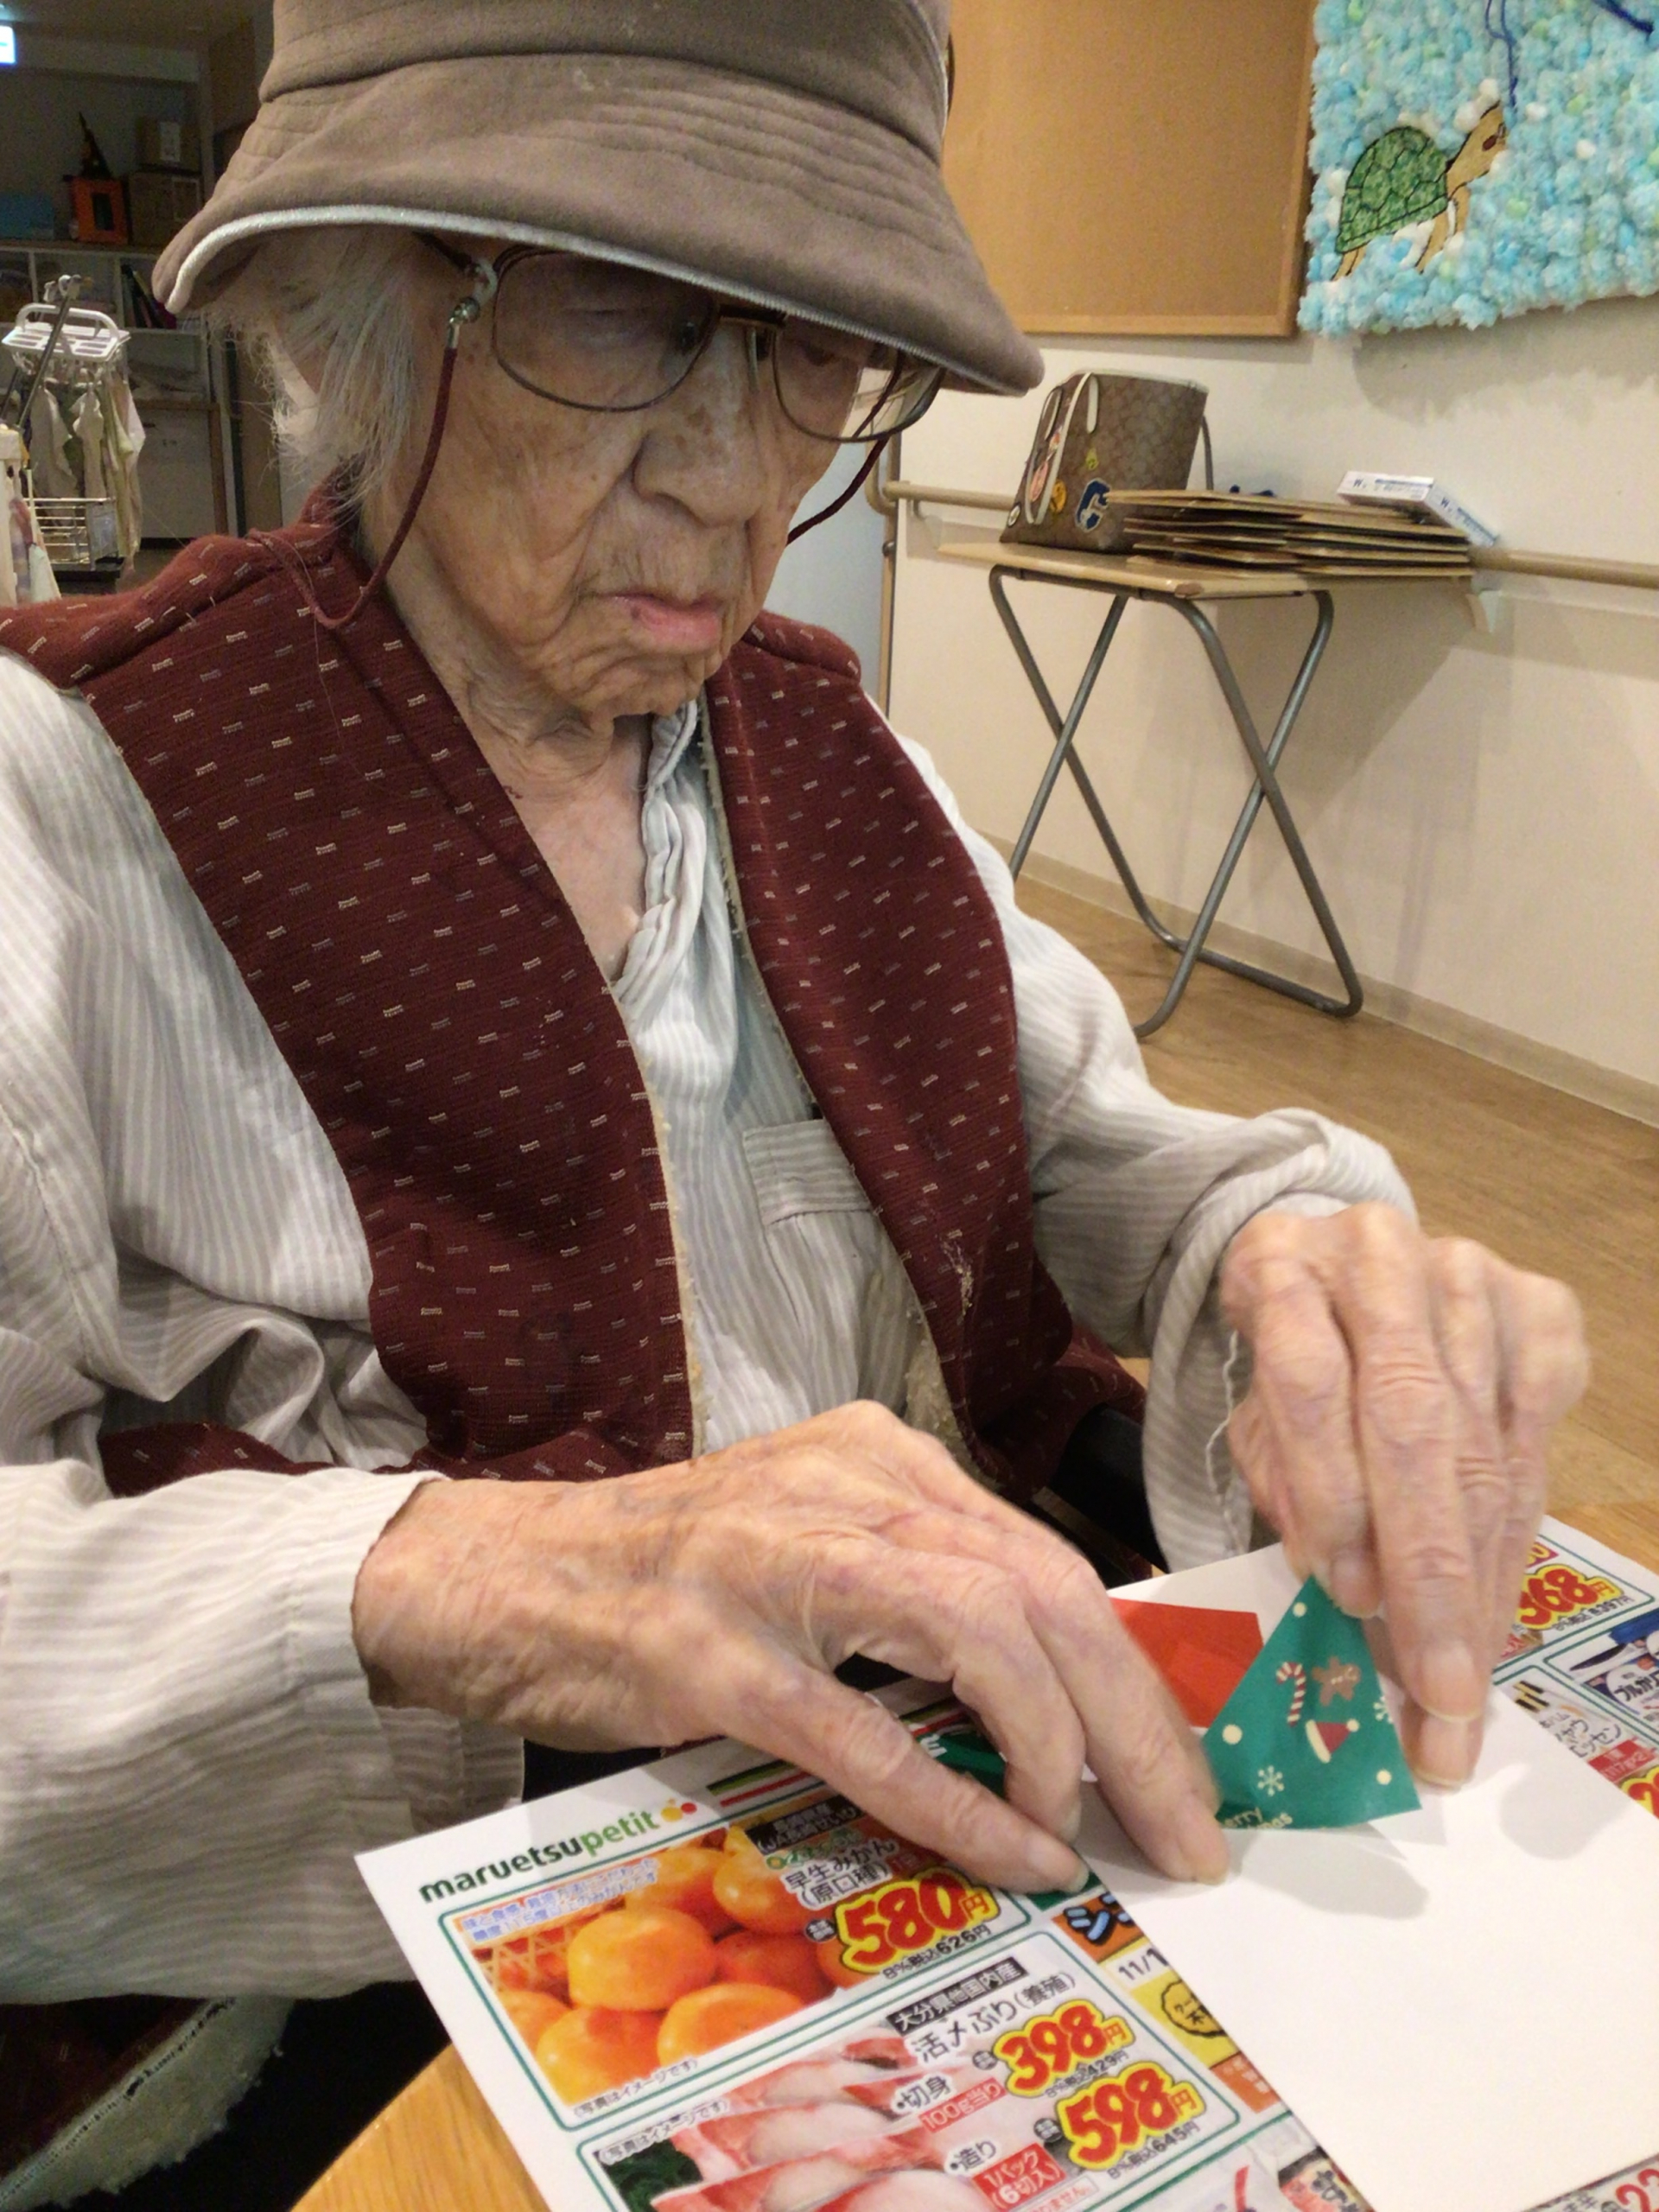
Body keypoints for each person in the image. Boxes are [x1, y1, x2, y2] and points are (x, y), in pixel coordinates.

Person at [0, 2, 1586, 2196]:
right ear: (368, 297)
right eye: (630, 322)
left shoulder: (841, 754)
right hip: (403, 1992)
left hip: (973, 1869)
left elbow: (1092, 1148)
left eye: (816, 357)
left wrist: (1294, 1247)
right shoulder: (71, 800)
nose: (742, 479)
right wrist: (483, 1572)